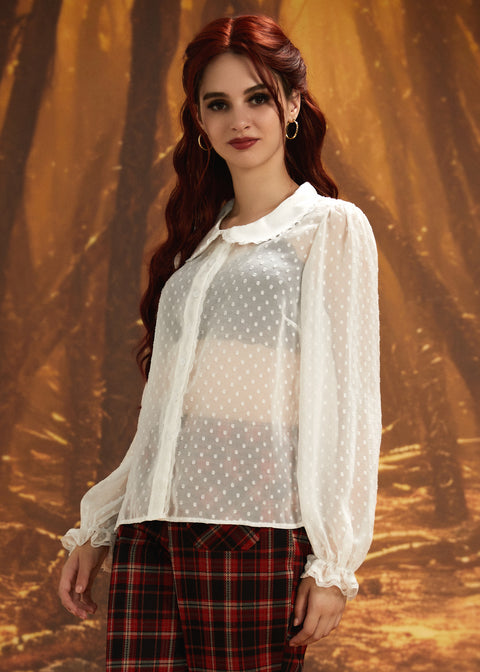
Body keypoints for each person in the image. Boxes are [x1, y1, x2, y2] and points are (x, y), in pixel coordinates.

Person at [58, 13, 381, 672]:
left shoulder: (330, 228)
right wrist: (102, 524)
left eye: (258, 97)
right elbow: (165, 415)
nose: (240, 119)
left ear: (292, 104)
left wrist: (333, 561)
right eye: (218, 104)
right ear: (200, 122)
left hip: (252, 526)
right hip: (150, 533)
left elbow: (350, 406)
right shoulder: (194, 248)